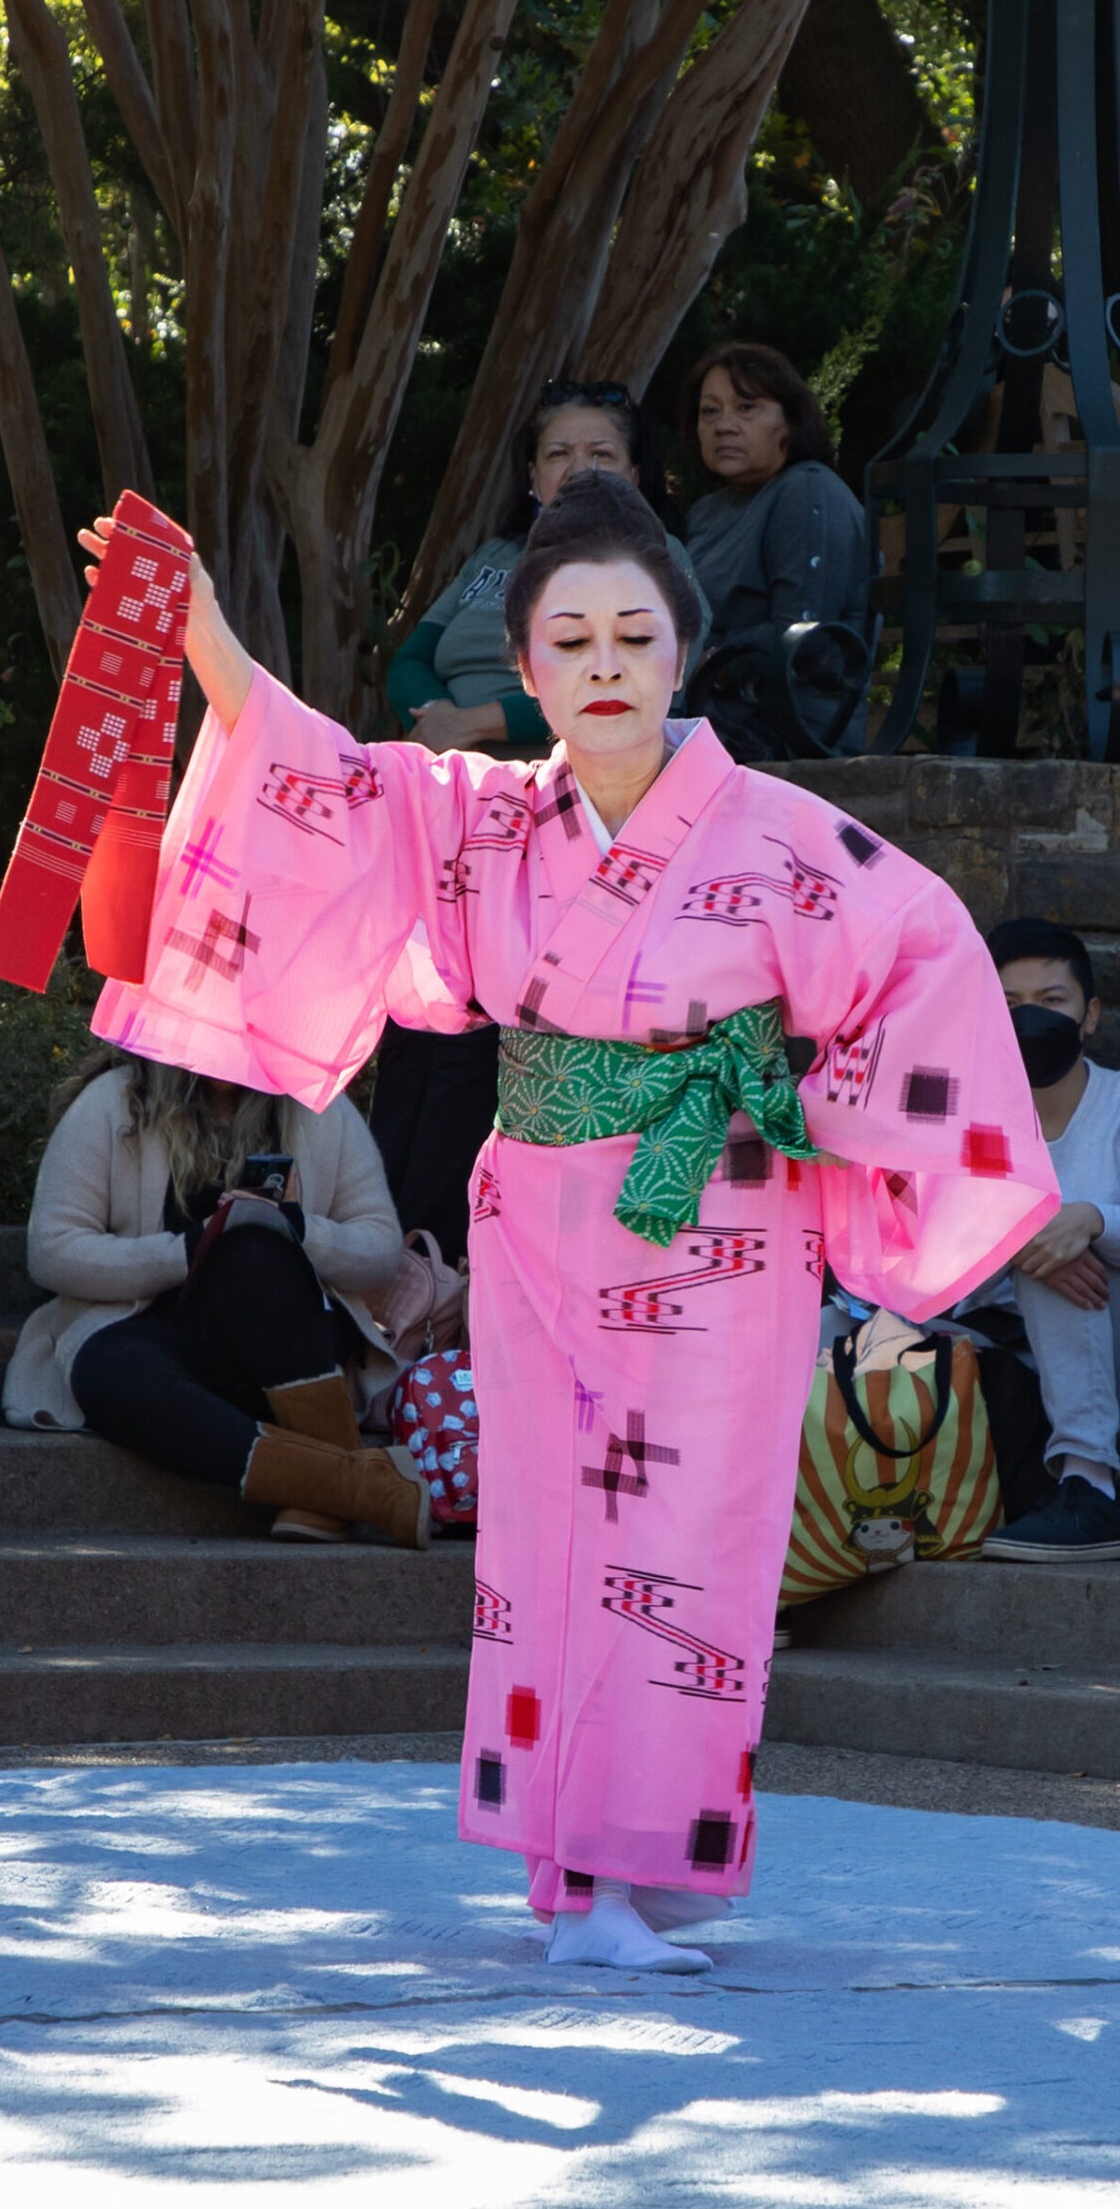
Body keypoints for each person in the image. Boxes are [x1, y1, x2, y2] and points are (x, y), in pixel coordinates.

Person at [79, 470, 1053, 1973]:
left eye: (632, 637)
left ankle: (647, 1850)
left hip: (725, 1216)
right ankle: (570, 1878)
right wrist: (201, 631)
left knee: (705, 1539)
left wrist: (814, 1111)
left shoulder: (792, 839)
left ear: (682, 653)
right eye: (572, 641)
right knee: (550, 1532)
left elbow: (924, 966)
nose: (604, 666)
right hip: (541, 1213)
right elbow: (316, 775)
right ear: (526, 669)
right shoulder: (480, 820)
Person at [376, 379, 709, 1262]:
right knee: (408, 1022)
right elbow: (408, 659)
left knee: (479, 1032)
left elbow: (627, 693)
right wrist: (435, 721)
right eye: (559, 453)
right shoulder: (492, 555)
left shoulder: (653, 565)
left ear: (637, 471)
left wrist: (479, 725)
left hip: (553, 806)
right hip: (448, 799)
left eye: (600, 453)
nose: (577, 469)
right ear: (529, 473)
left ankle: (442, 1259)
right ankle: (382, 1252)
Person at [6, 1049, 412, 1544]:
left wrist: (298, 1229)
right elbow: (52, 1250)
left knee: (252, 1255)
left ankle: (326, 1483)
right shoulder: (113, 1103)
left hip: (281, 1345)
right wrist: (189, 1249)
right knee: (105, 1373)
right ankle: (348, 1486)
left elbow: (381, 1247)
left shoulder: (317, 1104)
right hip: (151, 1336)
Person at [975, 919, 1120, 1561]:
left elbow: (1075, 1237)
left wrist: (1091, 1218)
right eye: (1009, 1006)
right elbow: (910, 1241)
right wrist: (1014, 1237)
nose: (1031, 1021)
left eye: (1051, 1002)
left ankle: (1090, 1485)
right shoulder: (961, 1118)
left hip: (1099, 1340)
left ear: (1090, 1015)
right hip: (992, 1348)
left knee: (1058, 1248)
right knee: (834, 1322)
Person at [679, 342, 872, 757]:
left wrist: (702, 664)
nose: (723, 425)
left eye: (746, 408)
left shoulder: (807, 491)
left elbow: (802, 638)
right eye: (709, 411)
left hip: (785, 730)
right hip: (703, 716)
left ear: (790, 421)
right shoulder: (705, 513)